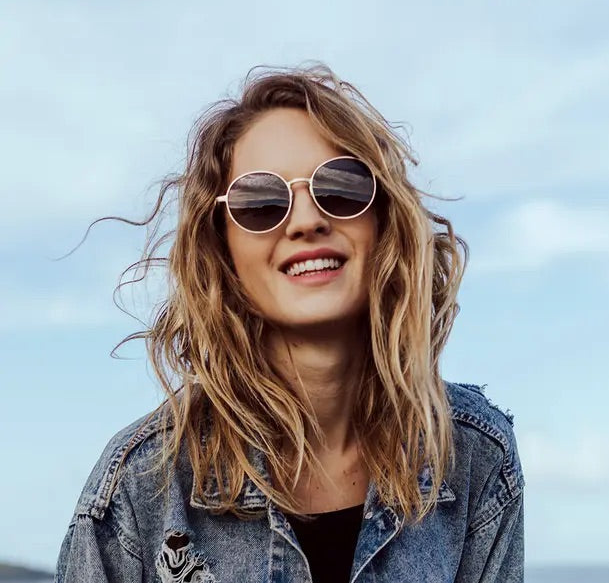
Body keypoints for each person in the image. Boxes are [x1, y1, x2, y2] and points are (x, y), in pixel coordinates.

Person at [55, 64, 525, 583]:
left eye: (341, 187)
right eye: (261, 202)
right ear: (224, 252)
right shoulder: (140, 487)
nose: (306, 221)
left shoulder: (476, 455)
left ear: (383, 221)